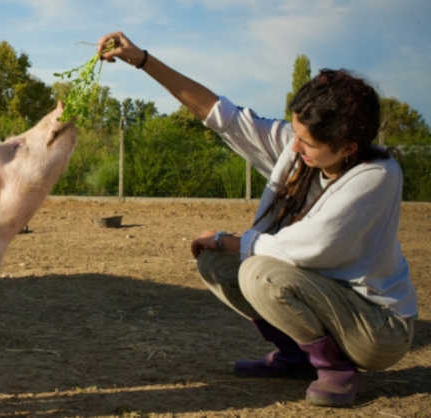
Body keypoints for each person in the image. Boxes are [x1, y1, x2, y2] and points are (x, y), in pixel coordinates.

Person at [97, 31, 417, 408]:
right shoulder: (300, 150)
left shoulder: (377, 175)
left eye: (307, 143)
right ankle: (297, 357)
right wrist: (143, 60)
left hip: (375, 328)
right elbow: (219, 114)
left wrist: (229, 240)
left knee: (257, 271)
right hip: (324, 299)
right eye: (294, 133)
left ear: (347, 147)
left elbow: (310, 247)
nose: (294, 147)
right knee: (219, 264)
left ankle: (337, 370)